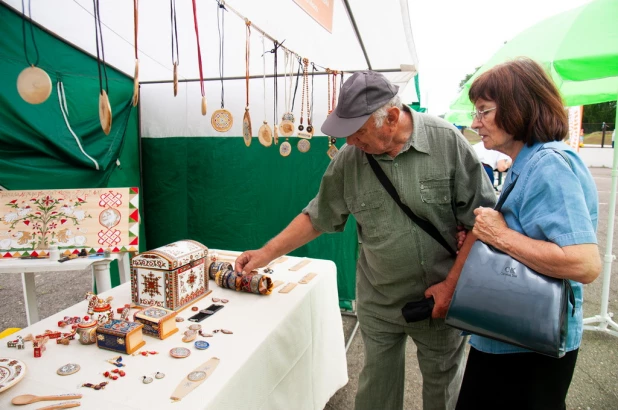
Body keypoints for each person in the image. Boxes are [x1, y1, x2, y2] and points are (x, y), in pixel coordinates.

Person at [235, 71, 496, 410]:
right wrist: (265, 254)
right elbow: (318, 217)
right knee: (376, 392)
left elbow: (484, 222)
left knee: (443, 389)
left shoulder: (446, 142)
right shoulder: (350, 159)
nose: (350, 143)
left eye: (357, 132)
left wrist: (451, 286)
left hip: (439, 299)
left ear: (390, 117)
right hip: (379, 300)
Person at [425, 58, 602, 410]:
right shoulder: (530, 162)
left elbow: (583, 264)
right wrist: (490, 246)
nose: (475, 123)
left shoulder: (549, 164)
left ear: (519, 106)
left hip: (525, 347)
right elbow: (529, 238)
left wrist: (501, 237)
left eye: (484, 111)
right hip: (510, 334)